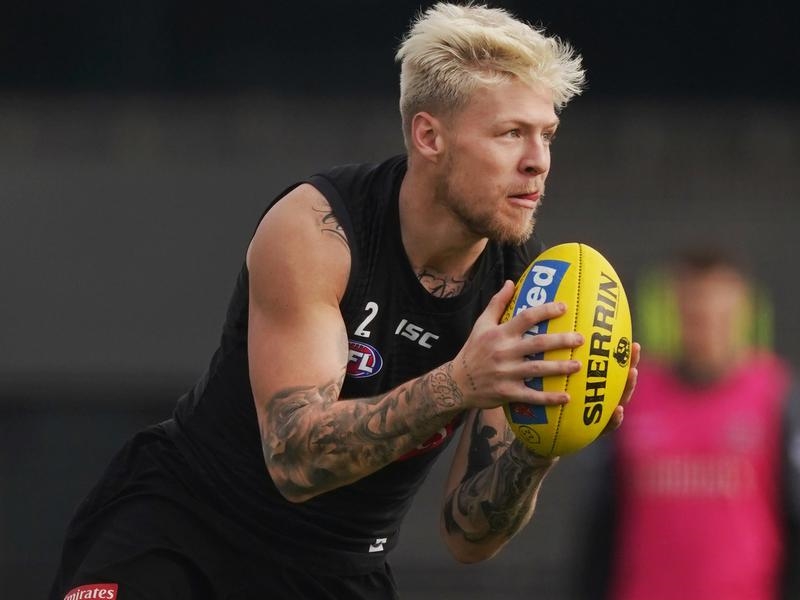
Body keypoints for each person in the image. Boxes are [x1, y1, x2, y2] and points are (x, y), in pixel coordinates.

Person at [50, 4, 639, 599]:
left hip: (339, 568)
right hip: (186, 532)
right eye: (511, 133)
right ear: (429, 136)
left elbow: (468, 536)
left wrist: (542, 444)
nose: (538, 160)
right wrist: (458, 383)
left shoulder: (528, 284)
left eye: (547, 135)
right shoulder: (319, 228)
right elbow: (294, 462)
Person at [582, 246, 799, 600]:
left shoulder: (775, 396)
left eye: (718, 313)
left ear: (742, 311)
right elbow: (600, 524)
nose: (706, 326)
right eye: (694, 313)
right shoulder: (631, 395)